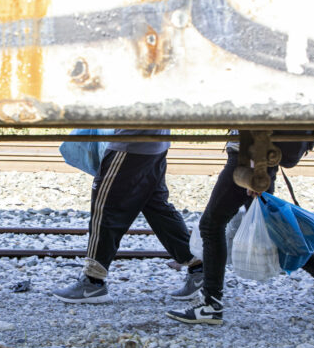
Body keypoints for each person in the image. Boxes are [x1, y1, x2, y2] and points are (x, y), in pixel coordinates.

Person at [165, 131, 314, 325]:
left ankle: (211, 305)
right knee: (271, 231)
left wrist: (256, 168)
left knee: (211, 226)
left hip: (249, 157)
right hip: (254, 155)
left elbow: (261, 116)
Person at [53, 129, 204, 303]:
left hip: (131, 144)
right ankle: (199, 267)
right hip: (154, 144)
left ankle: (92, 281)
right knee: (157, 208)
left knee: (105, 209)